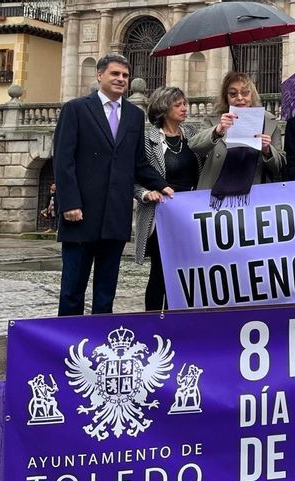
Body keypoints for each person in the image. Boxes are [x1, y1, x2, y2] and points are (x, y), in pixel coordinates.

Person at [53, 54, 172, 316]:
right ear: (99, 76)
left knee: (106, 290)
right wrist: (70, 203)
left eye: (125, 76)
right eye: (115, 74)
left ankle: (100, 342)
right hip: (80, 214)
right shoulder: (76, 109)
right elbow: (63, 161)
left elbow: (138, 163)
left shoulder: (133, 115)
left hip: (115, 216)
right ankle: (68, 345)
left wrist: (162, 185)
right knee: (73, 288)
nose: (121, 79)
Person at [133, 86, 203, 311]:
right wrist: (145, 193)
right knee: (161, 271)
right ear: (163, 108)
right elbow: (135, 176)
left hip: (189, 215)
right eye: (178, 104)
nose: (185, 108)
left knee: (185, 273)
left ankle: (177, 319)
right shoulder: (147, 138)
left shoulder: (191, 134)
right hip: (160, 214)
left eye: (185, 103)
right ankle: (153, 320)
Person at [190, 72, 285, 207]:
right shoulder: (215, 120)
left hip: (255, 197)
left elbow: (280, 166)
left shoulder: (269, 122)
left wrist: (267, 150)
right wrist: (218, 130)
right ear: (226, 97)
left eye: (245, 93)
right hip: (216, 197)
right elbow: (195, 147)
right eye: (233, 94)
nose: (240, 98)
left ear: (252, 95)